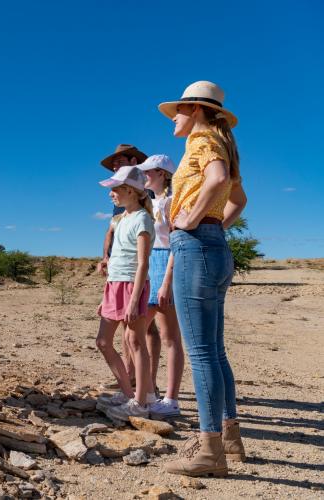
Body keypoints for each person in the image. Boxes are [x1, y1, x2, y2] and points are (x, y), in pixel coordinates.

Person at [158, 81, 248, 477]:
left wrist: (191, 221)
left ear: (194, 110)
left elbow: (216, 178)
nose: (173, 118)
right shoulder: (222, 139)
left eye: (178, 110)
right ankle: (229, 437)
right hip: (213, 246)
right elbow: (237, 198)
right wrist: (215, 227)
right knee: (215, 350)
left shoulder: (201, 140)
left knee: (202, 353)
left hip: (196, 246)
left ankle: (210, 450)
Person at [94, 165, 156, 421]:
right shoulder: (122, 219)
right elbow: (118, 256)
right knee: (103, 341)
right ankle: (128, 392)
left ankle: (140, 402)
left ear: (130, 191)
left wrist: (133, 300)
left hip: (132, 286)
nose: (111, 194)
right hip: (115, 284)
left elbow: (143, 263)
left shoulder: (142, 219)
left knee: (135, 342)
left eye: (115, 189)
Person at [137, 154, 184, 418]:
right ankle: (147, 392)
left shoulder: (172, 203)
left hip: (166, 262)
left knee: (169, 336)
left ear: (163, 174)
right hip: (148, 263)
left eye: (149, 171)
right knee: (138, 331)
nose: (144, 175)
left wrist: (167, 280)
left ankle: (171, 399)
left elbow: (177, 243)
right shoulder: (148, 203)